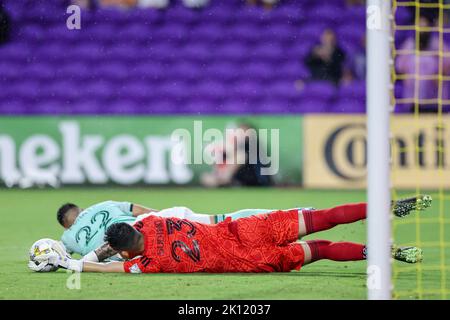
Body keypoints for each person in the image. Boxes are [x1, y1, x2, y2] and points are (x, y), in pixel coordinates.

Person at [30, 195, 432, 273]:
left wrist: (73, 264)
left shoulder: (151, 264)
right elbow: (142, 214)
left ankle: (375, 251)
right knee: (325, 217)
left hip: (249, 261)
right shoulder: (150, 222)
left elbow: (111, 268)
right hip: (248, 227)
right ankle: (382, 206)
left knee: (322, 250)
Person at [56, 200, 299, 259]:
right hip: (161, 222)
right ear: (79, 210)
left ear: (66, 223)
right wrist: (164, 217)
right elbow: (139, 210)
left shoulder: (67, 237)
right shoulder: (103, 205)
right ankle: (295, 214)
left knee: (222, 248)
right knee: (225, 221)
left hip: (137, 246)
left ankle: (286, 246)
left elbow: (58, 252)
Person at [396, 15, 450, 113]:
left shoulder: (436, 43)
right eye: (419, 24)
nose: (421, 27)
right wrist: (406, 77)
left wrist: (440, 72)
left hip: (434, 98)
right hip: (414, 97)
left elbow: (447, 61)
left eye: (424, 24)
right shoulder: (410, 44)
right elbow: (399, 65)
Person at [200, 123, 273, 187]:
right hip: (240, 181)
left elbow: (240, 157)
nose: (240, 134)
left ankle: (224, 181)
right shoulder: (237, 146)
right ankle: (223, 182)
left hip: (257, 181)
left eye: (244, 132)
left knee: (239, 157)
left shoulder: (252, 143)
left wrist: (225, 176)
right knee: (206, 178)